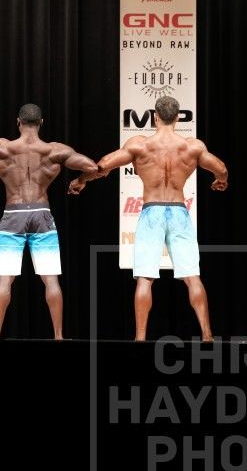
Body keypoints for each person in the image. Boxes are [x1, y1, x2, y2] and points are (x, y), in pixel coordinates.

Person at [68, 95, 227, 342]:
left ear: (155, 117)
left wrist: (81, 180)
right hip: (179, 211)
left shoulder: (139, 145)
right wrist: (221, 181)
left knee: (145, 278)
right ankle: (207, 336)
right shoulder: (193, 147)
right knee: (192, 276)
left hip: (151, 212)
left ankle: (140, 339)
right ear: (178, 117)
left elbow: (103, 165)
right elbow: (221, 169)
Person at [0, 104, 97, 340]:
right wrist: (81, 181)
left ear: (18, 122)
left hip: (13, 214)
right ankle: (59, 337)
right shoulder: (54, 150)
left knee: (5, 279)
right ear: (41, 123)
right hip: (42, 213)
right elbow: (92, 167)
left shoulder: (1, 147)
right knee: (51, 279)